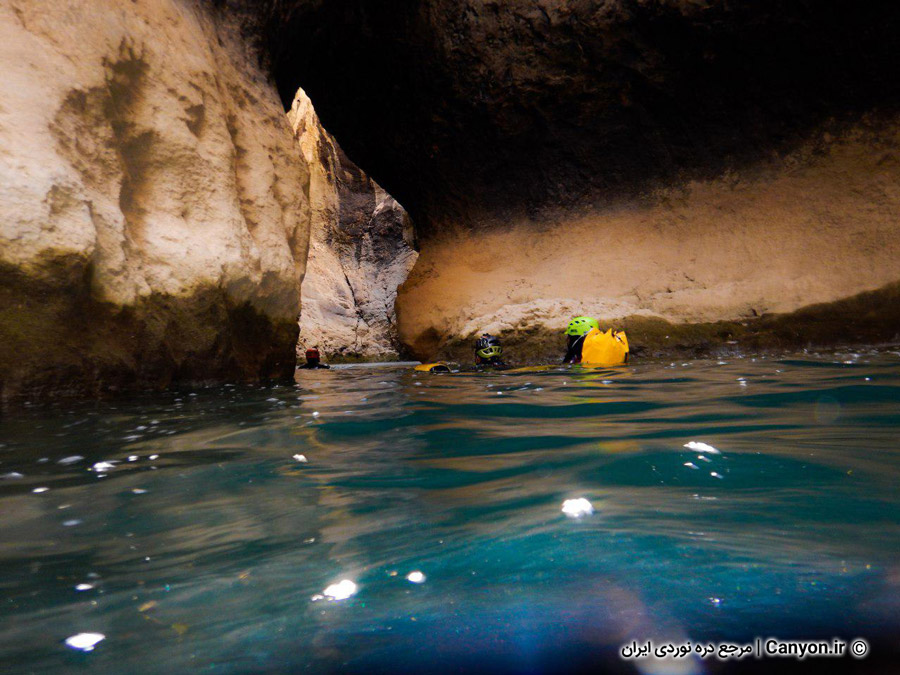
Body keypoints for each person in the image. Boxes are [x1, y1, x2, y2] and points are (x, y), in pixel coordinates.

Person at [563, 316, 629, 365]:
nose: (567, 340)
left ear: (576, 338)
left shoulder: (577, 358)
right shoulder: (607, 343)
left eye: (570, 337)